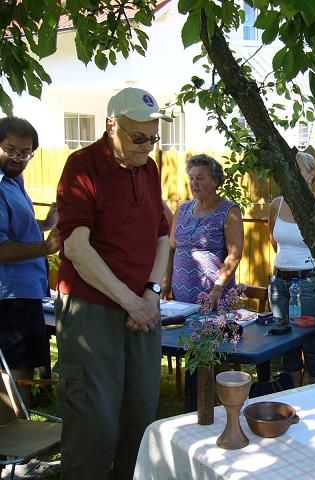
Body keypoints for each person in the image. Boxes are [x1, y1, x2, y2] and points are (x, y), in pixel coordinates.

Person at [54, 87, 171, 479]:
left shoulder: (148, 169)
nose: (148, 147)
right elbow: (76, 249)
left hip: (142, 307)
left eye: (154, 137)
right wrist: (131, 302)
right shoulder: (82, 166)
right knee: (93, 426)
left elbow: (161, 236)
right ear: (111, 126)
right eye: (139, 138)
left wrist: (151, 294)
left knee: (141, 416)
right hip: (93, 310)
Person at [0, 117, 60, 406]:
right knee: (16, 372)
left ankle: (18, 434)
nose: (17, 158)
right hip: (10, 295)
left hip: (26, 291)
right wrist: (45, 247)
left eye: (25, 152)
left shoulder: (14, 180)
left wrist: (46, 223)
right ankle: (15, 442)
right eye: (10, 149)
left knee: (24, 369)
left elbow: (16, 228)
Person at [268, 152, 315, 386]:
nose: (291, 176)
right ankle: (289, 401)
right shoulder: (277, 204)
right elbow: (273, 240)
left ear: (312, 174)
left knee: (312, 345)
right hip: (279, 283)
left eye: (298, 170)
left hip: (309, 285)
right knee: (286, 347)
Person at [161, 154, 243, 308]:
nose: (194, 183)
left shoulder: (229, 211)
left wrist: (218, 288)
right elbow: (171, 248)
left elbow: (235, 254)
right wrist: (166, 281)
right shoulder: (182, 210)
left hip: (213, 298)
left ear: (215, 182)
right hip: (180, 300)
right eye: (191, 178)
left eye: (200, 178)